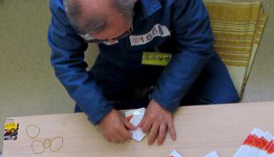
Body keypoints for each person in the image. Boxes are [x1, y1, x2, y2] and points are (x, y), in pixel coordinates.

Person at [48, 0, 240, 145]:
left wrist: (164, 100)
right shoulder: (62, 5)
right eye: (101, 39)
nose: (111, 40)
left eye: (119, 34)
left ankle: (152, 97)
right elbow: (66, 63)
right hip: (117, 60)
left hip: (175, 52)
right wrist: (102, 113)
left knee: (225, 105)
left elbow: (198, 42)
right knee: (86, 117)